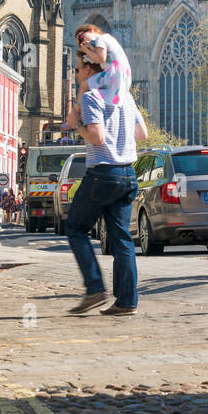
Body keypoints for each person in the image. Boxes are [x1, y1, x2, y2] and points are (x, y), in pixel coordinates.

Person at [64, 49, 147, 315]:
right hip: (127, 173)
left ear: (90, 71)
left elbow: (97, 137)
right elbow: (142, 134)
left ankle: (95, 287)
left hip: (103, 173)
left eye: (78, 70)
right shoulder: (126, 97)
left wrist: (77, 125)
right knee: (121, 238)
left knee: (76, 227)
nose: (77, 75)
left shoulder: (91, 97)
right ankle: (126, 301)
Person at [74, 23, 133, 109]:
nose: (82, 43)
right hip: (125, 76)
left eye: (81, 38)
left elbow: (101, 58)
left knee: (84, 86)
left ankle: (77, 113)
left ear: (91, 30)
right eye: (79, 44)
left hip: (114, 74)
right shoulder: (109, 38)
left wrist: (86, 50)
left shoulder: (100, 39)